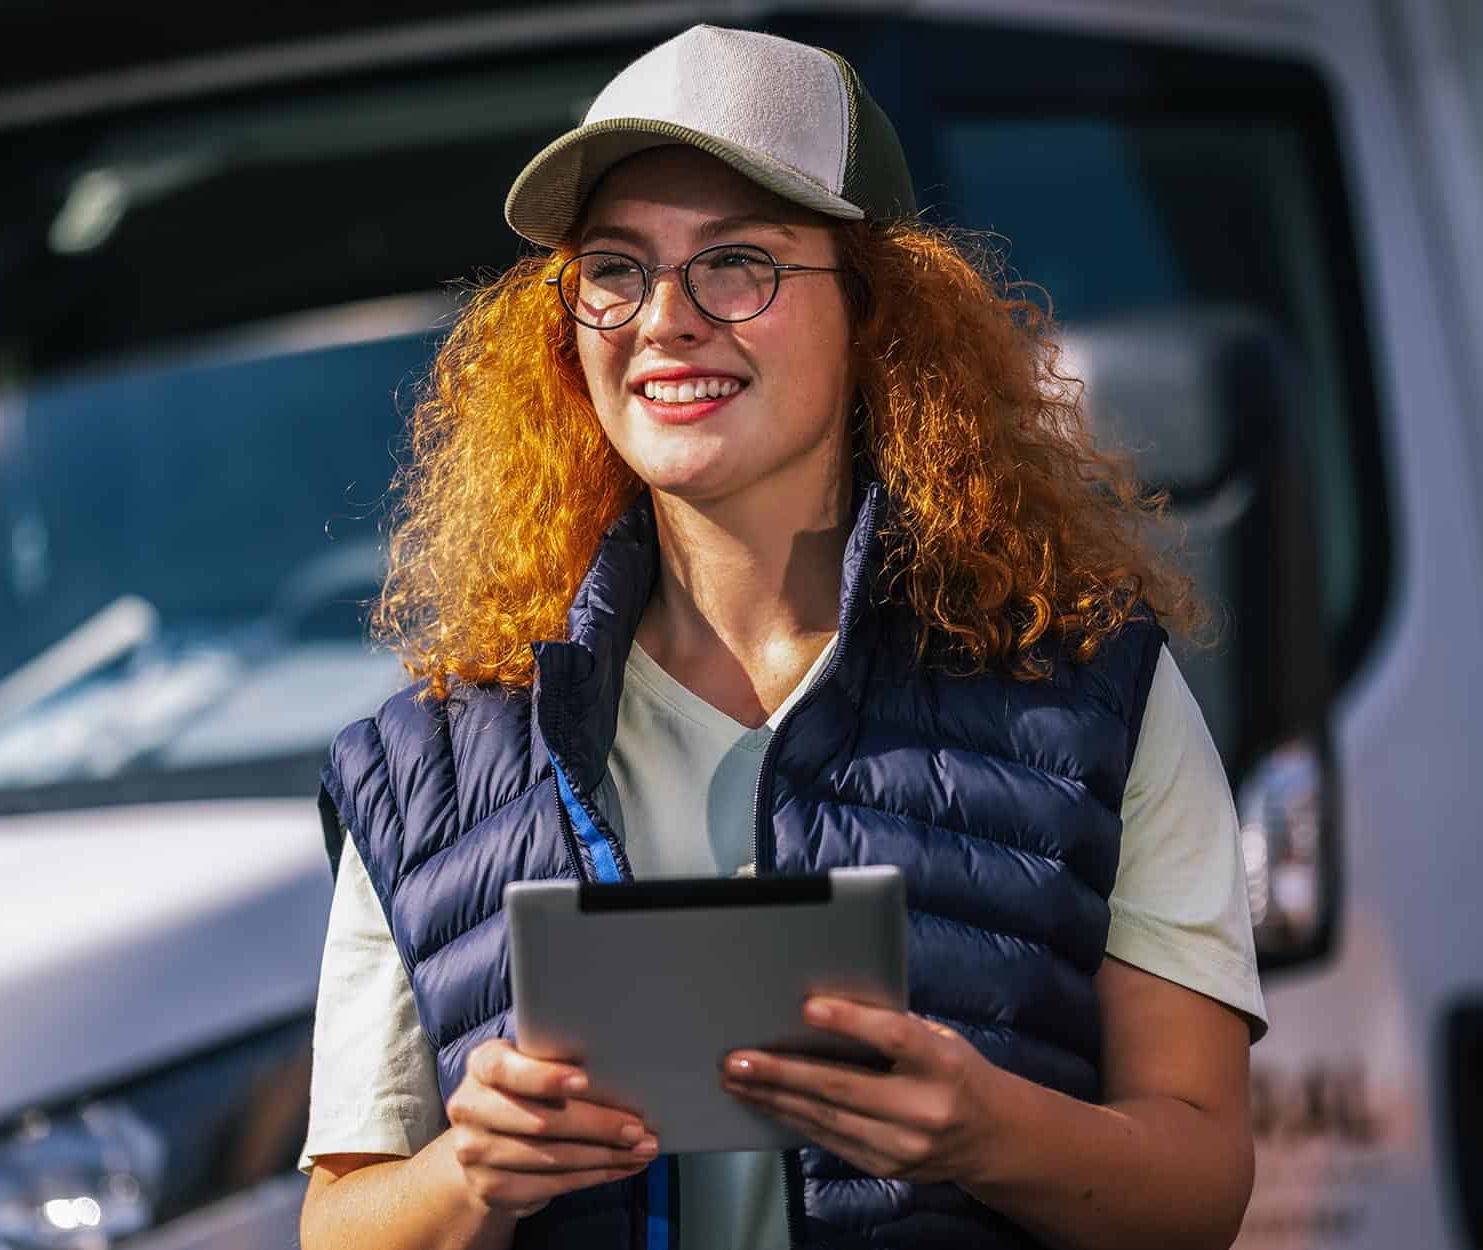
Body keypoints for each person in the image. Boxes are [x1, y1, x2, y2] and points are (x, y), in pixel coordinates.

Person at [298, 23, 1266, 1250]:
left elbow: (1197, 1186)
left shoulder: (1094, 701)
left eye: (736, 264)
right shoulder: (424, 762)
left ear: (877, 315)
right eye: (614, 269)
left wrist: (984, 1129)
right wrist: (470, 1173)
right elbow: (340, 1220)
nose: (665, 322)